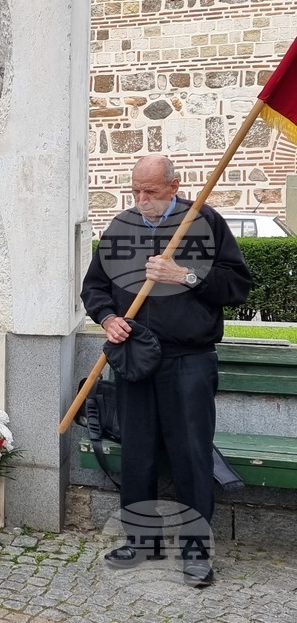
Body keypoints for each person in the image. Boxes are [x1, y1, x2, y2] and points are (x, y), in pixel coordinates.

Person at [81, 154, 252, 587]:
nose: (142, 199)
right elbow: (94, 288)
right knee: (137, 453)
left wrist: (186, 276)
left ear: (174, 186)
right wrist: (107, 318)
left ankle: (196, 551)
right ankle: (142, 541)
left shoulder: (204, 222)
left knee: (191, 455)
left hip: (188, 360)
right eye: (136, 190)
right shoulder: (121, 226)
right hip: (134, 357)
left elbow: (237, 286)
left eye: (151, 191)